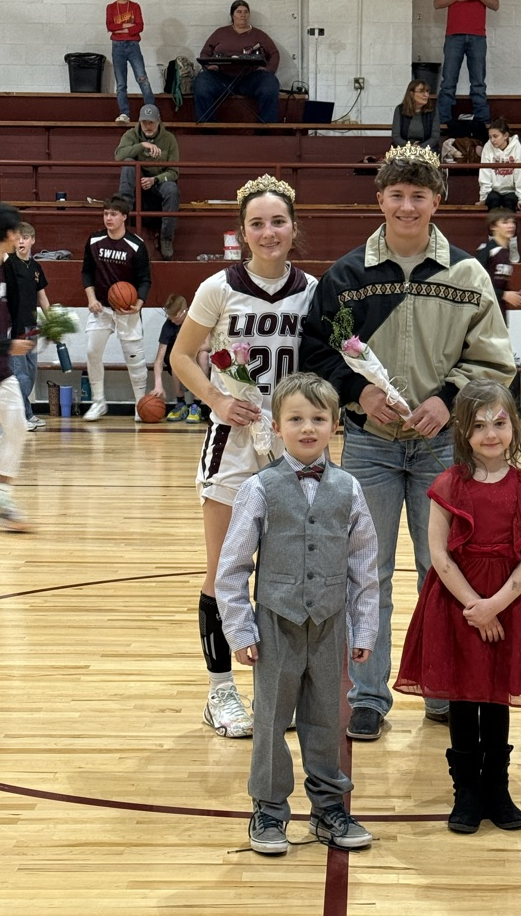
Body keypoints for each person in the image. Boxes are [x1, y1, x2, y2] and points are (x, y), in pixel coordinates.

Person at [300, 144, 516, 741]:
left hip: (445, 449)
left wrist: (447, 399)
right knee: (365, 574)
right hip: (370, 446)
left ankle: (442, 686)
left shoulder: (467, 275)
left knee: (439, 570)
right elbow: (315, 353)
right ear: (380, 200)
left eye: (419, 195)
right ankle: (367, 693)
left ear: (437, 201)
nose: (407, 206)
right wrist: (355, 393)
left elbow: (495, 363)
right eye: (396, 195)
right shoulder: (346, 276)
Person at [170, 175, 318, 740]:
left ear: (293, 227)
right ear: (242, 232)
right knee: (225, 571)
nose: (268, 231)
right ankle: (220, 692)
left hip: (292, 446)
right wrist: (216, 398)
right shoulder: (218, 288)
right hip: (233, 445)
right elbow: (185, 356)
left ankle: (281, 688)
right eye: (257, 223)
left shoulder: (312, 290)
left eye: (278, 221)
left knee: (288, 573)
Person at [215, 372, 379, 855]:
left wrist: (364, 626)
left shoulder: (349, 488)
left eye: (318, 419)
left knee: (328, 717)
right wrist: (240, 628)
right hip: (275, 626)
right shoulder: (260, 488)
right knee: (269, 720)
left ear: (335, 425)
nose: (308, 428)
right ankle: (268, 809)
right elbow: (232, 567)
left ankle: (329, 808)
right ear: (277, 426)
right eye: (296, 419)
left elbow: (364, 567)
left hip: (330, 624)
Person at [394, 379, 521, 834]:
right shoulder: (448, 484)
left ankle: (496, 789)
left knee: (497, 695)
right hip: (457, 606)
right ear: (462, 431)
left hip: (511, 604)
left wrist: (496, 605)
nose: (490, 433)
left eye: (499, 423)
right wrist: (474, 606)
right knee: (464, 697)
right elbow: (439, 556)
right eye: (479, 424)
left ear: (514, 426)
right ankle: (466, 790)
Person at [0, 202, 35, 531]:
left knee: (17, 426)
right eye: (16, 230)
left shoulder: (1, 266)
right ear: (8, 234)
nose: (19, 235)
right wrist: (8, 345)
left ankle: (0, 499)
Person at [81, 195, 152, 421]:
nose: (108, 218)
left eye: (113, 214)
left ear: (123, 217)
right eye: (105, 213)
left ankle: (140, 404)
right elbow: (86, 272)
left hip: (127, 309)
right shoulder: (94, 241)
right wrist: (91, 298)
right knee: (92, 353)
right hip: (100, 308)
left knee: (135, 359)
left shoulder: (136, 245)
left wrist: (137, 305)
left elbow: (145, 280)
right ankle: (98, 402)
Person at [434, 0, 500, 127]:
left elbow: (495, 4)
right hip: (453, 35)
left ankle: (482, 122)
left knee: (478, 82)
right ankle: (443, 122)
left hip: (478, 36)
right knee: (448, 82)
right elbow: (437, 3)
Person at [192, 0, 281, 124]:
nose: (243, 15)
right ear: (232, 15)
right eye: (239, 12)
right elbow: (205, 52)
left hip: (250, 78)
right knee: (201, 83)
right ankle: (208, 125)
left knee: (270, 83)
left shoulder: (259, 35)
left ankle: (265, 127)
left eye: (246, 12)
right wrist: (208, 66)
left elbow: (274, 53)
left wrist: (269, 70)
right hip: (221, 78)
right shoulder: (220, 33)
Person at [115, 104, 180, 260]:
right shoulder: (131, 134)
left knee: (172, 190)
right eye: (144, 122)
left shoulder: (169, 139)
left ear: (159, 121)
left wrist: (154, 180)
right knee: (129, 162)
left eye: (151, 122)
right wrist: (142, 145)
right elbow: (119, 155)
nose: (148, 126)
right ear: (139, 121)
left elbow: (174, 172)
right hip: (136, 180)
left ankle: (166, 238)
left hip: (158, 180)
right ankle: (121, 228)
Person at [5, 222, 50, 430]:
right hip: (15, 327)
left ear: (33, 240)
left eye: (25, 237)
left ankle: (26, 413)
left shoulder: (36, 267)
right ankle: (21, 417)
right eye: (18, 238)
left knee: (30, 373)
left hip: (32, 327)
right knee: (18, 374)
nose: (21, 241)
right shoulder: (9, 264)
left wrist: (52, 321)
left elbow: (42, 297)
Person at [107, 0, 155, 125]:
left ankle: (151, 111)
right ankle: (124, 113)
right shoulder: (111, 7)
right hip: (117, 47)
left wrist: (120, 29)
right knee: (121, 83)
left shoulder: (135, 7)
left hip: (133, 46)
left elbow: (139, 27)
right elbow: (110, 26)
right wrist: (128, 26)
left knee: (143, 79)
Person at [150, 294, 205, 423]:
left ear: (183, 312)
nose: (172, 320)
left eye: (174, 317)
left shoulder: (196, 319)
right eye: (169, 317)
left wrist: (191, 350)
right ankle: (181, 402)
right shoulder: (169, 325)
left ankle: (197, 404)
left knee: (203, 356)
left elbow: (207, 345)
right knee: (176, 356)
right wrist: (158, 385)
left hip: (195, 355)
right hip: (177, 360)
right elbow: (159, 359)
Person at [475, 209, 521, 316]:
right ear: (493, 226)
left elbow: (499, 285)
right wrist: (503, 294)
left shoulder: (505, 252)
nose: (511, 226)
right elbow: (476, 285)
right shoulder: (486, 251)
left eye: (513, 222)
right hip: (484, 313)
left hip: (500, 311)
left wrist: (516, 294)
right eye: (505, 222)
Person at [477, 118, 521, 212]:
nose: (492, 140)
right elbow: (484, 174)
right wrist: (483, 198)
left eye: (495, 136)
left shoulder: (516, 146)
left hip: (511, 191)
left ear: (505, 135)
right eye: (490, 137)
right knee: (493, 199)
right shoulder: (487, 147)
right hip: (493, 191)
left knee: (510, 201)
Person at [392, 79, 441, 152]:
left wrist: (420, 147)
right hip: (404, 149)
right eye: (421, 91)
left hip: (427, 149)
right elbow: (396, 136)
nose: (426, 95)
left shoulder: (433, 111)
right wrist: (409, 147)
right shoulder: (400, 109)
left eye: (427, 91)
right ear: (411, 93)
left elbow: (435, 136)